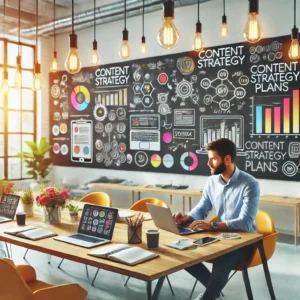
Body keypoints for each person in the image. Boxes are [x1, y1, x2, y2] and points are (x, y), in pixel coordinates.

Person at [174, 138, 260, 300]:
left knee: (223, 257)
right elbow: (203, 208)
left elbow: (245, 223)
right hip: (221, 237)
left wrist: (212, 225)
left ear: (227, 159)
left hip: (245, 241)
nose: (208, 163)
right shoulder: (212, 181)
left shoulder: (250, 184)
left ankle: (208, 297)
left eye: (213, 158)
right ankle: (215, 294)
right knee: (183, 251)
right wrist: (187, 217)